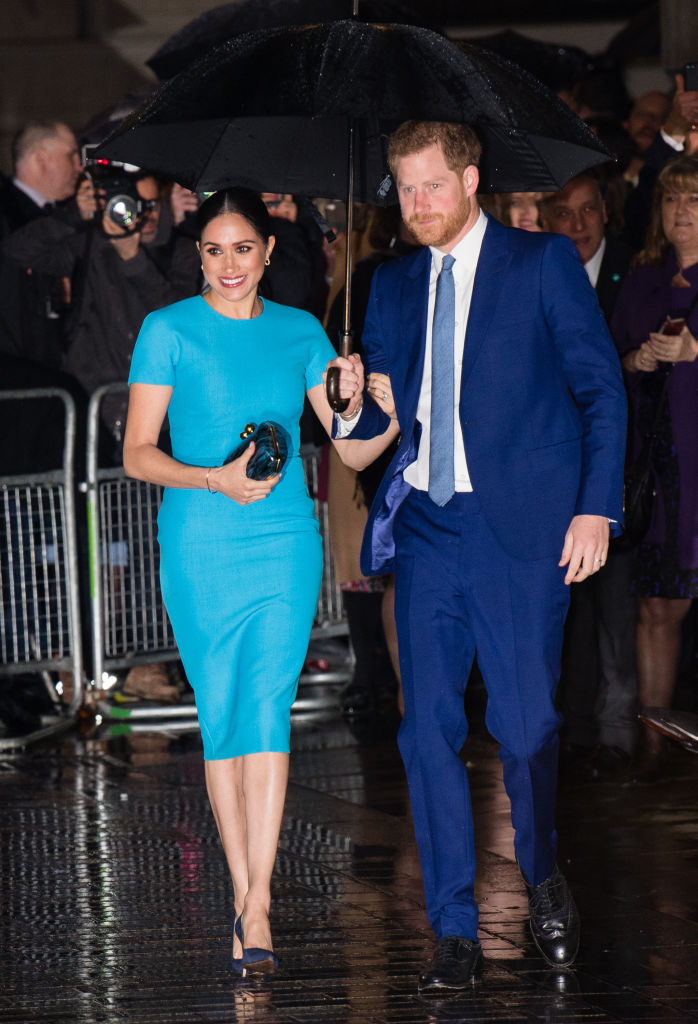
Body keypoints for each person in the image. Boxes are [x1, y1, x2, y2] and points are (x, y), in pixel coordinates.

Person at [328, 121, 626, 993]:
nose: (417, 206)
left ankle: (542, 875)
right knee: (426, 730)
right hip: (426, 527)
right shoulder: (387, 285)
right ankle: (452, 923)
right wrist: (351, 402)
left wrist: (594, 508)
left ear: (470, 180)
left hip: (524, 533)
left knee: (528, 728)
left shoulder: (540, 265)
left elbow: (600, 392)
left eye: (432, 186)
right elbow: (378, 429)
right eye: (404, 190)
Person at [122, 188, 399, 973]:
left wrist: (377, 406)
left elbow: (351, 451)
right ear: (199, 256)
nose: (229, 264)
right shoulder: (167, 330)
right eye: (214, 250)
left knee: (267, 709)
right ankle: (244, 892)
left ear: (270, 251)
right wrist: (214, 480)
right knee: (224, 713)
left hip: (282, 544)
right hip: (202, 541)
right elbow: (138, 453)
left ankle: (259, 903)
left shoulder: (303, 331)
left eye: (243, 248)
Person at [540, 173, 637, 778]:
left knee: (619, 608)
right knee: (568, 609)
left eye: (587, 212)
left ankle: (620, 735)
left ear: (604, 213)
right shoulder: (543, 272)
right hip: (554, 471)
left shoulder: (632, 270)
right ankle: (575, 732)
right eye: (564, 213)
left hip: (619, 465)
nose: (577, 225)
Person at [611, 155, 698, 783]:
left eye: (694, 200)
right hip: (657, 470)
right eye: (671, 200)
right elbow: (603, 364)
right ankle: (656, 749)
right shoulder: (643, 280)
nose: (681, 213)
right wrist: (635, 361)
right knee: (654, 609)